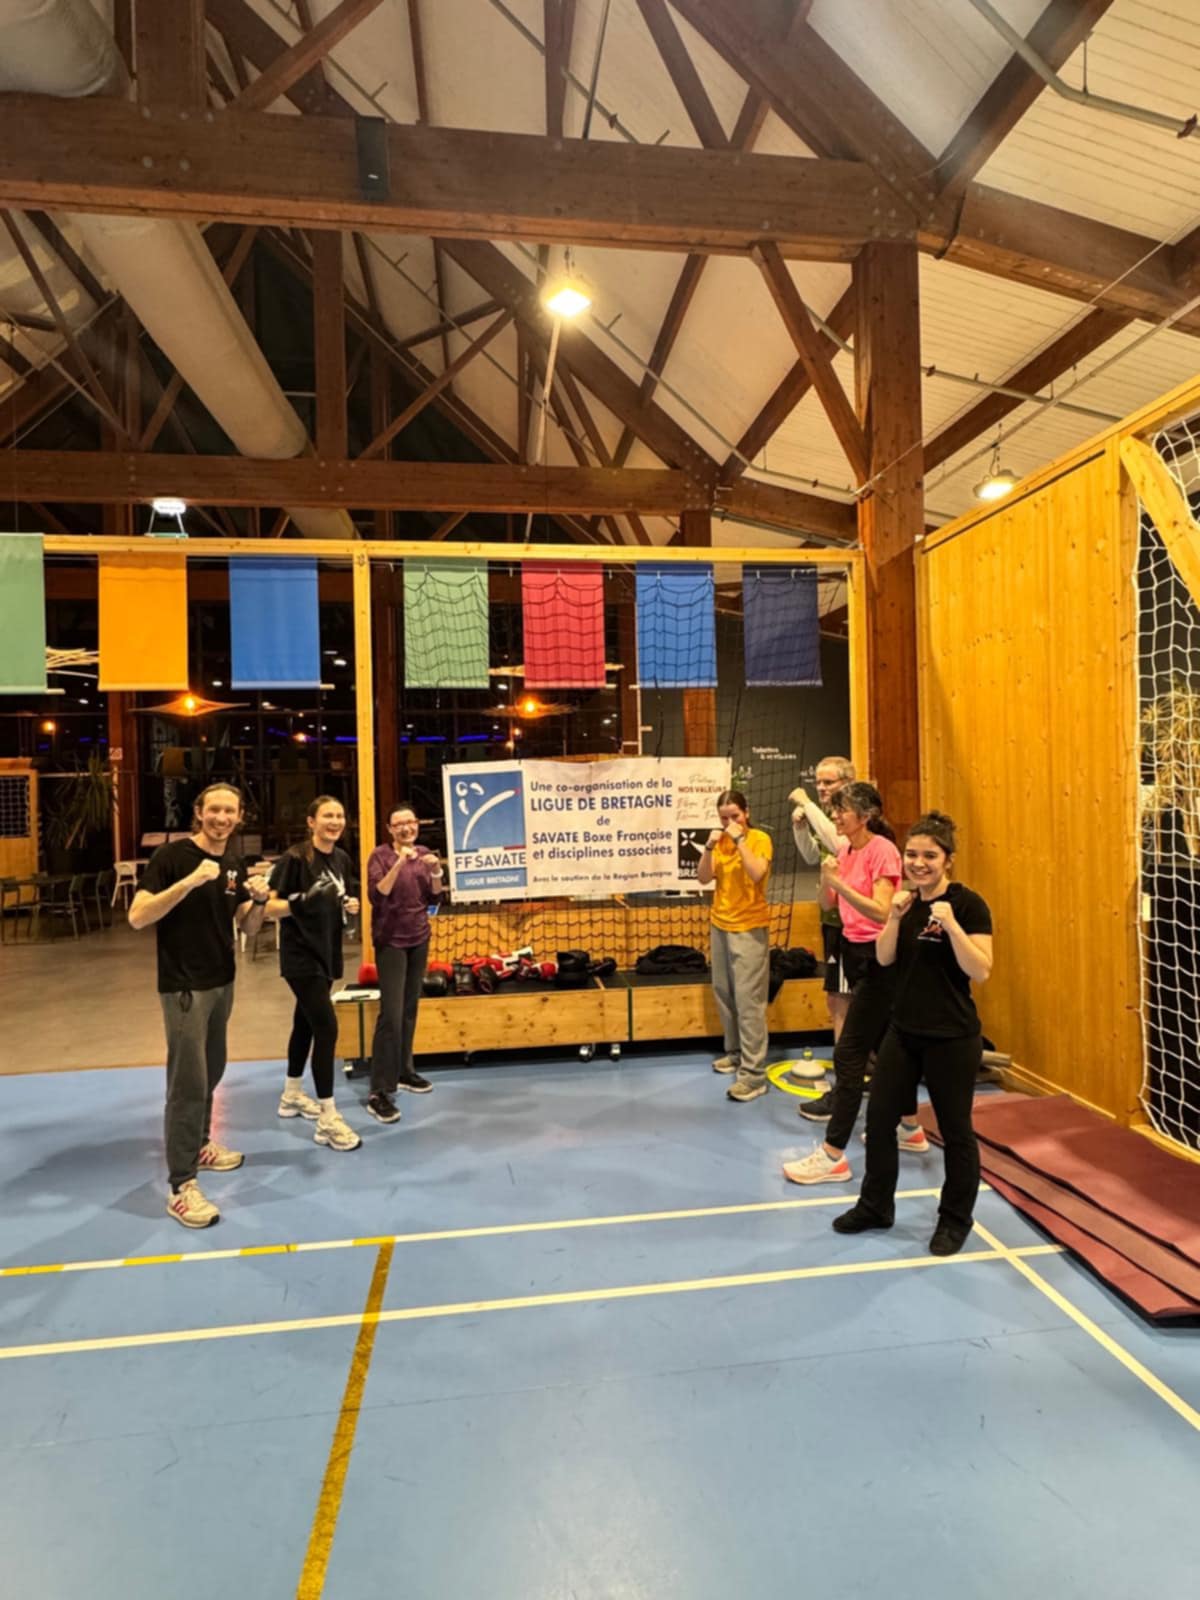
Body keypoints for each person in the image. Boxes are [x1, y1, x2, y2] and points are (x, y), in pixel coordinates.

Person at [834, 811, 993, 1255]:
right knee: (879, 1119)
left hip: (952, 1037)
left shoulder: (968, 905)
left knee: (956, 1131)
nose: (919, 863)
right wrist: (892, 917)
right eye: (912, 855)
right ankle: (875, 1206)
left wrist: (953, 926)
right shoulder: (906, 904)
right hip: (903, 1033)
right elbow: (885, 959)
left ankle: (955, 1220)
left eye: (930, 856)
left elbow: (981, 970)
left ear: (948, 860)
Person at [129, 782, 271, 1229]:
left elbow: (247, 925)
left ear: (239, 816)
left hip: (222, 982)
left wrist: (260, 901)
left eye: (230, 811)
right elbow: (138, 916)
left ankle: (201, 1145)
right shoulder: (171, 858)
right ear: (198, 811)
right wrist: (188, 883)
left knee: (212, 1070)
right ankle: (181, 1185)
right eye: (214, 809)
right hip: (184, 986)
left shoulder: (233, 861)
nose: (221, 818)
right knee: (187, 1084)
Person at [782, 781, 926, 1183]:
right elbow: (829, 902)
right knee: (886, 1044)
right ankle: (910, 1128)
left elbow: (882, 911)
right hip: (852, 950)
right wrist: (827, 879)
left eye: (842, 810)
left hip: (881, 956)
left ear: (865, 816)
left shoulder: (883, 850)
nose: (835, 816)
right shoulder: (845, 850)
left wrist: (840, 883)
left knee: (848, 1055)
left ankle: (833, 1155)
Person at [265, 795, 362, 1152]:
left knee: (304, 1023)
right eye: (327, 816)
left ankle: (291, 1095)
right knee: (327, 1027)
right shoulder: (295, 858)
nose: (335, 822)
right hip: (301, 955)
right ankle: (328, 1118)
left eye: (339, 815)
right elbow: (269, 907)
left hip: (327, 951)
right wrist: (301, 901)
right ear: (311, 822)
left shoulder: (341, 859)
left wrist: (348, 904)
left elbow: (336, 899)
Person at [365, 802, 444, 1123]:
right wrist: (400, 861)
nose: (406, 828)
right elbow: (378, 894)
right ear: (389, 829)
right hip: (391, 942)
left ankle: (404, 1071)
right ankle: (378, 1091)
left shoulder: (423, 854)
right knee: (391, 1014)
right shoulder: (380, 856)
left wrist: (436, 871)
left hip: (419, 938)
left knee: (410, 1009)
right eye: (399, 824)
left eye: (410, 822)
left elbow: (435, 897)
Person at [697, 789, 773, 1103]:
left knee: (748, 1000)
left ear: (746, 813)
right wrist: (708, 847)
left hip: (750, 927)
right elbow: (703, 878)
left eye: (735, 816)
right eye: (724, 817)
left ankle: (754, 1075)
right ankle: (736, 1053)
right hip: (720, 924)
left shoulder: (759, 839)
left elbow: (757, 873)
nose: (729, 822)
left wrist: (739, 838)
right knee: (724, 993)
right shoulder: (720, 843)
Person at [791, 755, 854, 1043]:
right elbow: (811, 856)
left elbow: (839, 845)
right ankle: (848, 1056)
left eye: (828, 782)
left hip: (853, 922)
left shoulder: (853, 818)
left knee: (846, 996)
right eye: (817, 782)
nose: (821, 788)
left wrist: (807, 804)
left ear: (847, 782)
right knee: (835, 995)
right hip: (830, 917)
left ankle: (853, 1059)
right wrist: (801, 829)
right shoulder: (826, 818)